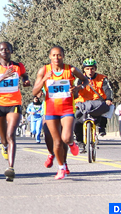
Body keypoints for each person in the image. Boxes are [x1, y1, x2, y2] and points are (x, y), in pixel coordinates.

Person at [32, 46, 88, 180]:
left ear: (63, 56)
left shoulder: (71, 69)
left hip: (67, 108)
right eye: (54, 55)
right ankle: (61, 168)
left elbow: (85, 80)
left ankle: (72, 144)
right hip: (51, 110)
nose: (56, 58)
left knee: (66, 138)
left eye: (59, 55)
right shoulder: (44, 70)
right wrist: (44, 79)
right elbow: (35, 92)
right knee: (56, 142)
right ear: (50, 56)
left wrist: (78, 88)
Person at [0, 42, 30, 182]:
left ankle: (11, 168)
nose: (5, 51)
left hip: (14, 104)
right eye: (2, 49)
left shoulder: (18, 66)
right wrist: (2, 77)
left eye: (7, 49)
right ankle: (3, 146)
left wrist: (26, 81)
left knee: (11, 135)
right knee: (3, 138)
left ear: (11, 51)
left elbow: (24, 76)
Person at [74, 58, 113, 152]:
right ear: (84, 70)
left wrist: (108, 99)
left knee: (105, 108)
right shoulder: (79, 79)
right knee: (76, 122)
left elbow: (108, 89)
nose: (90, 71)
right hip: (83, 103)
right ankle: (80, 143)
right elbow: (74, 90)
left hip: (97, 102)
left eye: (92, 68)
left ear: (95, 69)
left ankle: (101, 127)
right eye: (87, 69)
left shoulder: (102, 78)